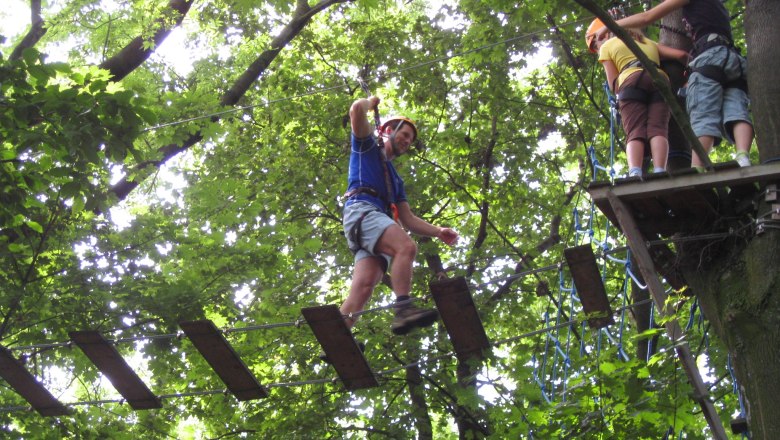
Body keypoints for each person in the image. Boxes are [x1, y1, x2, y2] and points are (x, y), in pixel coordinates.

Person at [340, 96, 458, 337]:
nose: (407, 142)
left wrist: (438, 231)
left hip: (371, 222)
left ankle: (337, 335)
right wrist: (370, 101)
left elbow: (407, 219)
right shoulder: (367, 147)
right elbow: (355, 110)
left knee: (364, 287)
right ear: (388, 130)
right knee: (405, 247)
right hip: (362, 210)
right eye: (404, 135)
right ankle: (404, 307)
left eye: (410, 140)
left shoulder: (395, 181)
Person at [589, 0, 754, 169]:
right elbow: (682, 55)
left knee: (703, 115)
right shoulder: (718, 7)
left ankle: (696, 169)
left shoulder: (608, 46)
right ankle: (743, 157)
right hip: (733, 59)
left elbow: (648, 17)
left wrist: (608, 25)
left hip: (707, 56)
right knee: (737, 111)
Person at [587, 18, 690, 177]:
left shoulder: (607, 47)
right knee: (658, 129)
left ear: (606, 34)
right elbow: (682, 54)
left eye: (596, 42)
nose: (598, 46)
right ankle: (659, 171)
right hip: (659, 80)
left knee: (635, 130)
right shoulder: (648, 42)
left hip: (631, 80)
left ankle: (635, 172)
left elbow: (614, 84)